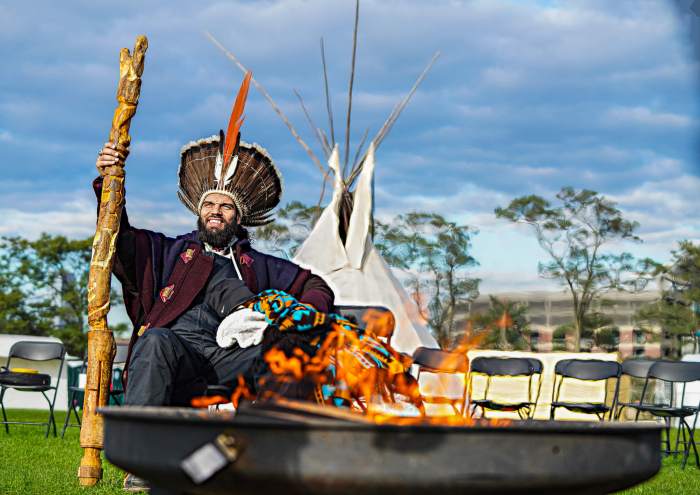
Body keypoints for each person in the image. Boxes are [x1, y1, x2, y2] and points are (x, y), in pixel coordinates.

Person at [93, 72, 334, 410]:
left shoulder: (258, 265)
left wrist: (301, 313)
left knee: (285, 349)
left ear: (239, 216)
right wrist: (108, 183)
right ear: (198, 209)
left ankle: (273, 450)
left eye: (225, 206)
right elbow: (121, 242)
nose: (215, 211)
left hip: (229, 357)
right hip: (177, 355)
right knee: (156, 340)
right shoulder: (169, 251)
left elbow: (315, 285)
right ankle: (142, 451)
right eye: (209, 204)